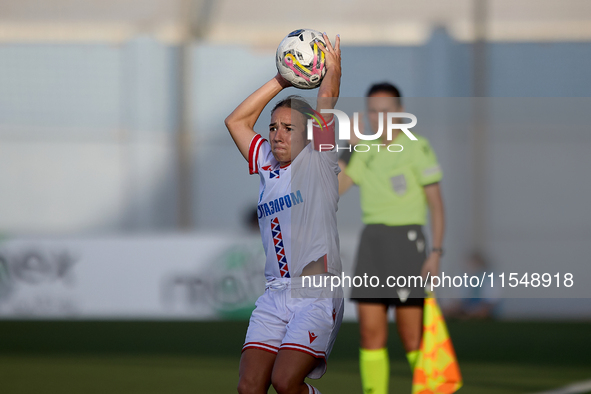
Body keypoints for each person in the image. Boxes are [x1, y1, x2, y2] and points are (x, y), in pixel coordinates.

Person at [225, 33, 343, 394]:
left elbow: (327, 99)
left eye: (288, 128)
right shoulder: (265, 163)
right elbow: (236, 122)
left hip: (316, 293)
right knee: (250, 387)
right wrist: (282, 77)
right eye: (273, 127)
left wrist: (333, 70)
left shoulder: (318, 160)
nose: (276, 135)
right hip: (275, 293)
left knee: (285, 381)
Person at [338, 83, 445, 394]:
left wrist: (436, 252)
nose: (378, 117)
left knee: (412, 336)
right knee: (370, 335)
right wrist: (352, 146)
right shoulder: (364, 147)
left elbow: (437, 205)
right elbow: (336, 188)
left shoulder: (416, 146)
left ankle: (431, 390)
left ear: (400, 113)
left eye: (385, 110)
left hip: (407, 242)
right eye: (372, 110)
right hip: (372, 242)